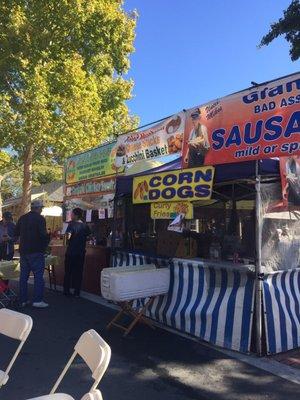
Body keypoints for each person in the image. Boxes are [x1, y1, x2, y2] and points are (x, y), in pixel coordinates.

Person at [15, 200, 50, 308]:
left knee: (23, 277)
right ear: (38, 208)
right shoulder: (40, 218)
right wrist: (48, 239)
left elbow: (16, 233)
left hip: (24, 251)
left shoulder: (22, 218)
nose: (42, 210)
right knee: (38, 277)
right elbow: (43, 235)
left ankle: (23, 300)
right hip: (36, 251)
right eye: (41, 208)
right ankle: (37, 300)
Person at [63, 208, 91, 297]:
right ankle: (77, 292)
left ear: (76, 215)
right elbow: (89, 237)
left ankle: (66, 291)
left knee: (68, 272)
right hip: (81, 252)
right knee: (78, 273)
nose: (70, 216)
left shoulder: (71, 225)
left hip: (71, 252)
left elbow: (67, 237)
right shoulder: (85, 226)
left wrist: (66, 239)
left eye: (72, 214)